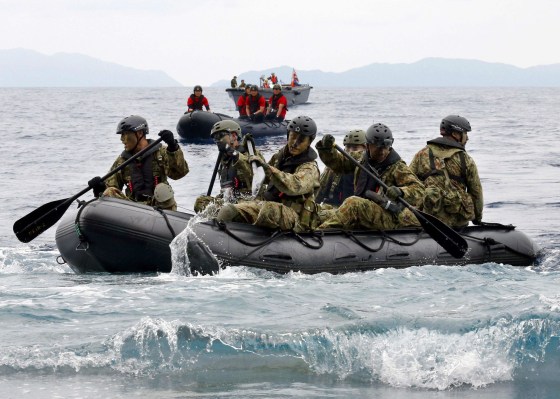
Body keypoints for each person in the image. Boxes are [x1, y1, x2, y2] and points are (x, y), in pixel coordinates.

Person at [216, 115, 321, 232]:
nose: (295, 143)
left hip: (295, 216)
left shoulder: (310, 168)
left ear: (309, 142)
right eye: (293, 137)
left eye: (301, 140)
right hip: (271, 204)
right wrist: (244, 155)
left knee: (268, 209)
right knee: (229, 210)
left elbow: (294, 185)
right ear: (288, 135)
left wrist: (268, 168)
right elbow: (263, 177)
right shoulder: (280, 157)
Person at [316, 123, 425, 230]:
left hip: (390, 216)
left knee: (353, 203)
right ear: (368, 145)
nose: (382, 151)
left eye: (385, 147)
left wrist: (401, 191)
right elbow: (339, 163)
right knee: (320, 213)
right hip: (366, 211)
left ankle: (320, 233)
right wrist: (327, 149)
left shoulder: (397, 167)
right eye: (378, 147)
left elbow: (419, 190)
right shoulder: (361, 159)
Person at [88, 115, 189, 211]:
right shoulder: (122, 161)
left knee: (163, 189)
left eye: (125, 134)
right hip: (133, 208)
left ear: (139, 133)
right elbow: (111, 187)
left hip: (160, 207)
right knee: (109, 192)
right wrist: (100, 187)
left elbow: (179, 173)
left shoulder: (161, 152)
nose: (122, 139)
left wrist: (173, 146)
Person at [409, 115, 483, 227]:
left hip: (428, 220)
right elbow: (476, 192)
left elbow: (409, 183)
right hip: (457, 223)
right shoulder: (466, 159)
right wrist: (477, 218)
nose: (467, 138)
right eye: (465, 133)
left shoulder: (421, 155)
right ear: (455, 134)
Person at [193, 120, 263, 213]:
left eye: (220, 136)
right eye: (215, 138)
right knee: (200, 202)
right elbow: (225, 190)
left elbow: (257, 175)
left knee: (229, 209)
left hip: (250, 201)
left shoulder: (251, 153)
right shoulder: (224, 161)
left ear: (233, 136)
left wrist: (232, 152)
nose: (218, 140)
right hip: (230, 200)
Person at [316, 129, 367, 207]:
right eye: (348, 147)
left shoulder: (366, 169)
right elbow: (320, 189)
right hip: (331, 208)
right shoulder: (333, 166)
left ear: (365, 148)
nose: (350, 151)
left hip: (354, 210)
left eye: (355, 148)